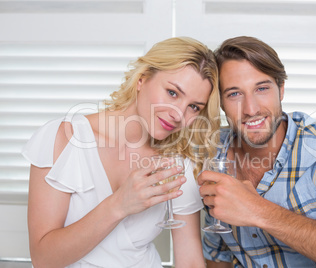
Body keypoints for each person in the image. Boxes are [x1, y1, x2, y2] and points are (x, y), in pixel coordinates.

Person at [22, 37, 221, 267]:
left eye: (194, 107)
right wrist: (119, 204)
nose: (178, 114)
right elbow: (43, 259)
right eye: (172, 93)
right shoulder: (63, 139)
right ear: (142, 78)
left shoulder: (177, 163)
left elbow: (190, 261)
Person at [198, 36, 316, 268]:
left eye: (261, 88)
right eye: (234, 94)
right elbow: (217, 254)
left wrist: (259, 210)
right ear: (220, 102)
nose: (251, 109)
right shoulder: (212, 153)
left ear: (281, 89)